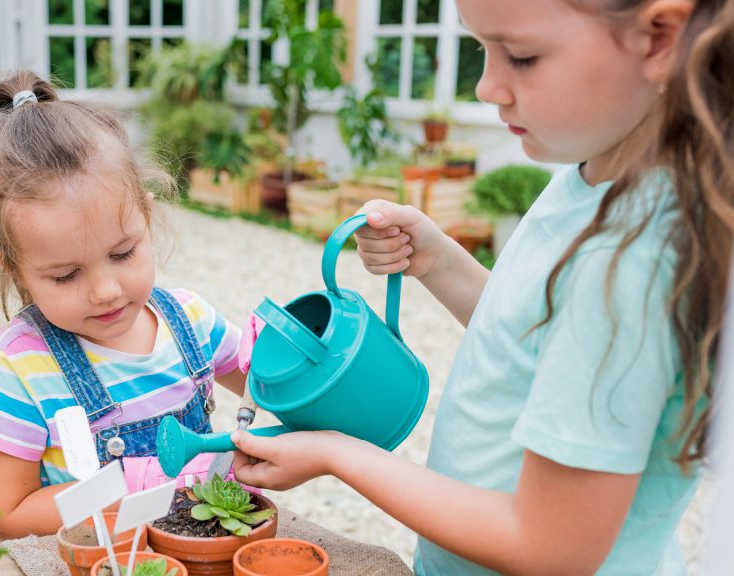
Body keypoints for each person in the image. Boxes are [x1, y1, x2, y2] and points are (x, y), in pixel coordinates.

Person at [231, 0, 733, 573]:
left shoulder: (630, 262)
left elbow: (548, 546)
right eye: (480, 48)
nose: (487, 87)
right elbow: (534, 337)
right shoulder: (598, 172)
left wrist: (335, 453)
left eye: (521, 56)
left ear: (659, 39)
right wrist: (438, 261)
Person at [0, 71, 245, 540]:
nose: (106, 291)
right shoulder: (18, 367)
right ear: (13, 267)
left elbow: (268, 388)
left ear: (147, 217)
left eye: (122, 254)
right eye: (66, 275)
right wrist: (126, 488)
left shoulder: (191, 322)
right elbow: (6, 516)